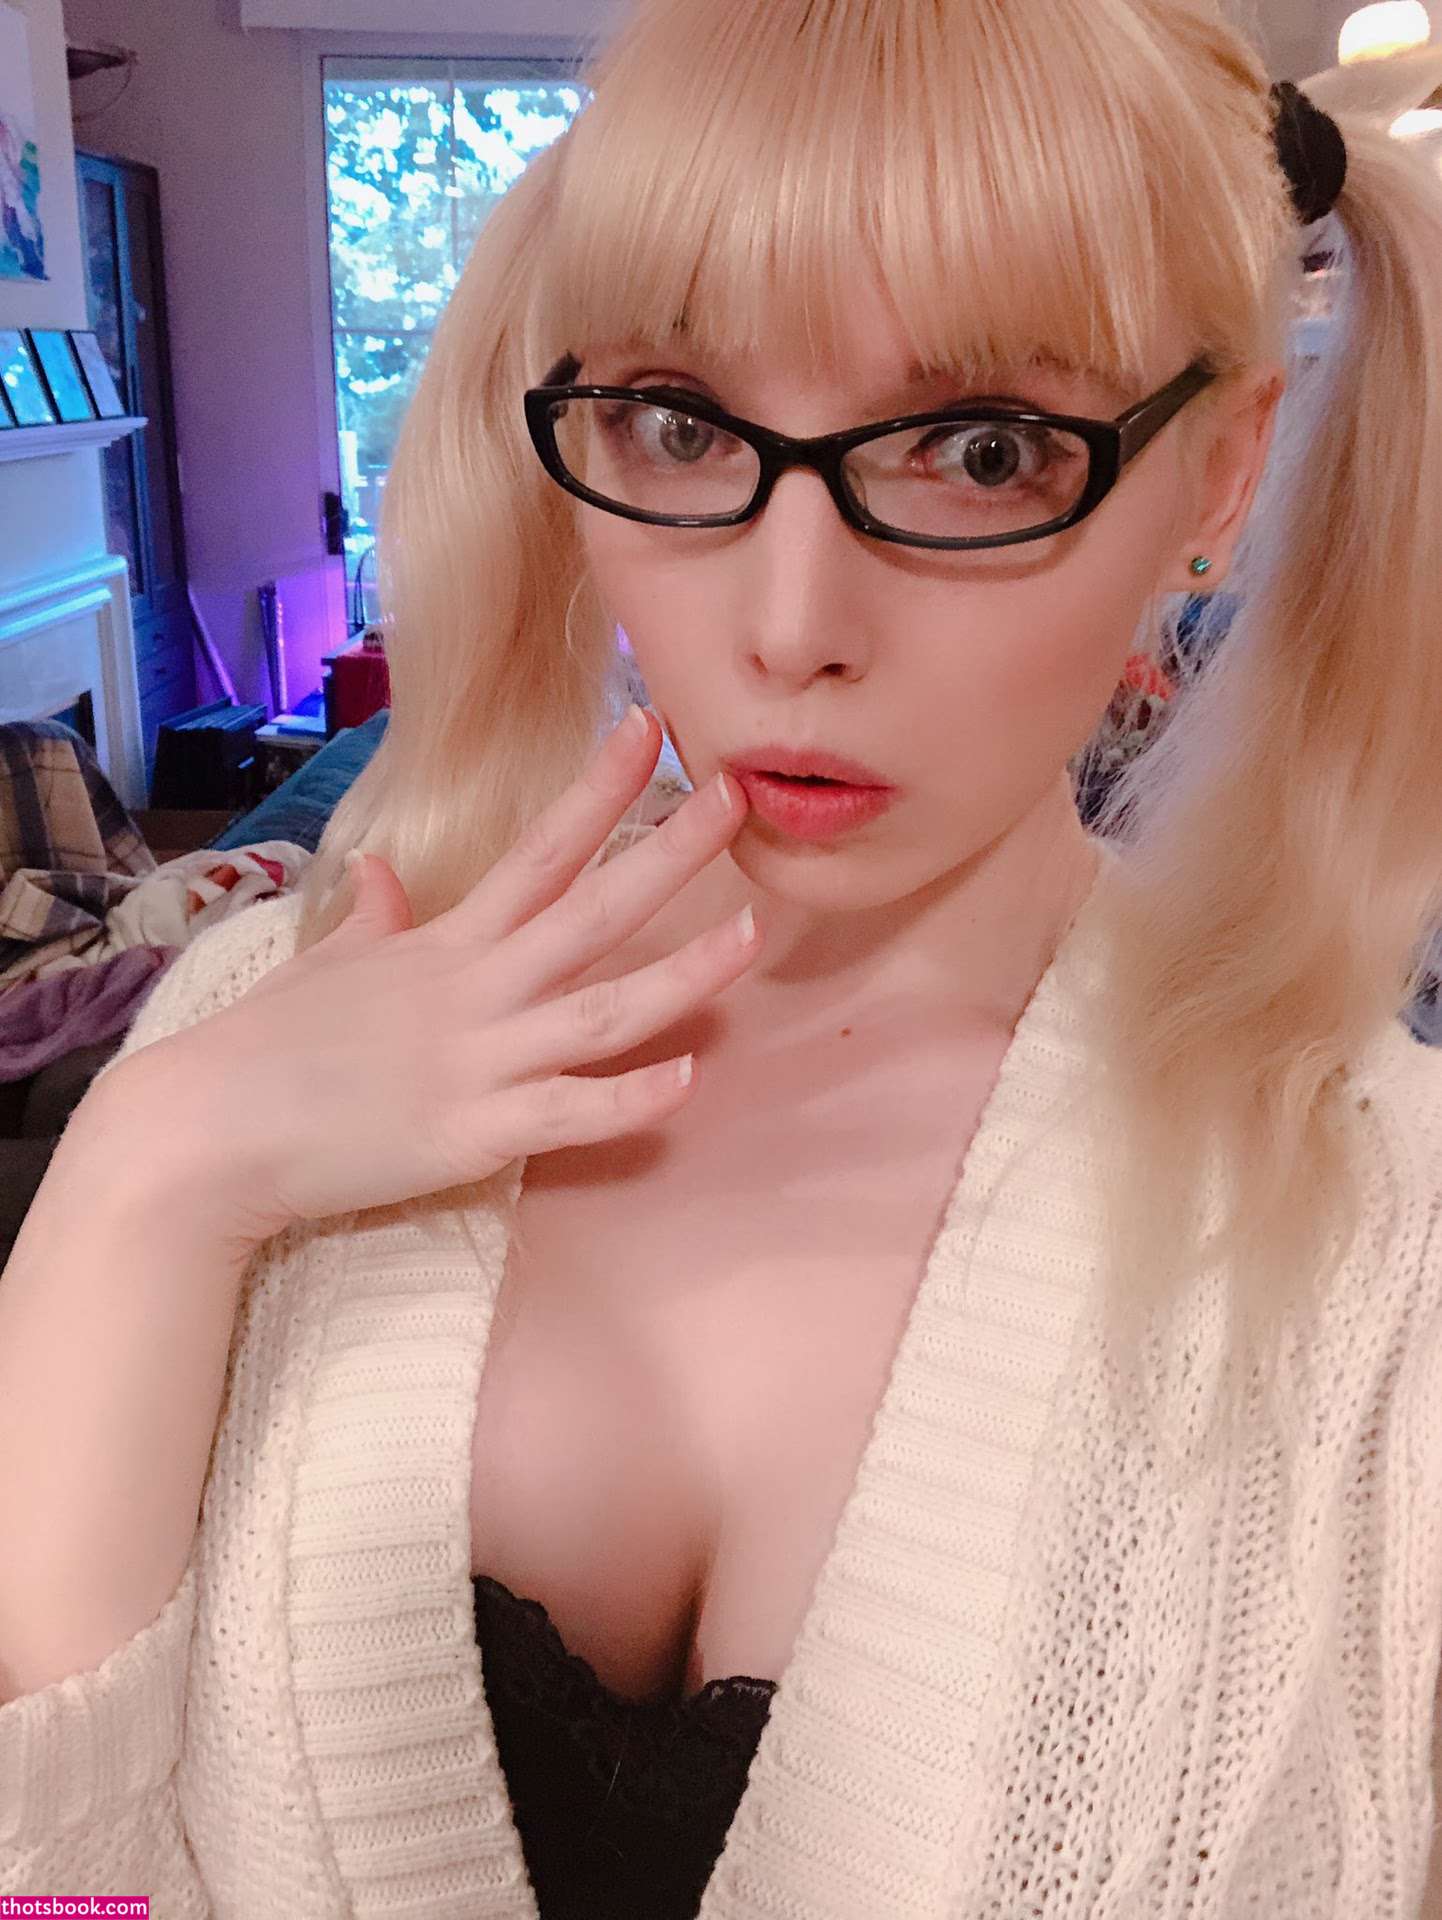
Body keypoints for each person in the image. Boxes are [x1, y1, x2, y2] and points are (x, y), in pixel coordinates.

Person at [5, 1, 1442, 1914]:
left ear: (1220, 476)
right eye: (680, 427)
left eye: (983, 450)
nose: (789, 623)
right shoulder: (254, 1035)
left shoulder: (1385, 1238)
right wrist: (141, 1176)